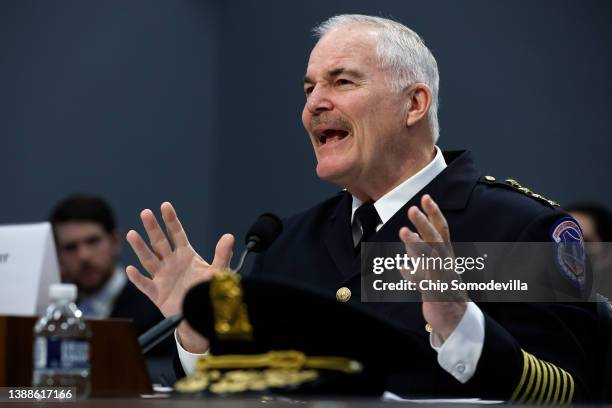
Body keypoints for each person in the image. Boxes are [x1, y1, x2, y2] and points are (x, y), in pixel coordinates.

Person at [125, 15, 598, 401]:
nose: (314, 104)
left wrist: (460, 324)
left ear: (414, 104)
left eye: (341, 81)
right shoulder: (283, 243)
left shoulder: (523, 227)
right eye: (308, 88)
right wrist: (198, 337)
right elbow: (250, 387)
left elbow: (574, 392)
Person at [50, 195, 167, 339]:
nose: (83, 256)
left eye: (93, 241)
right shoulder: (50, 316)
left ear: (115, 241)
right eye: (70, 247)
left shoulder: (156, 311)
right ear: (58, 255)